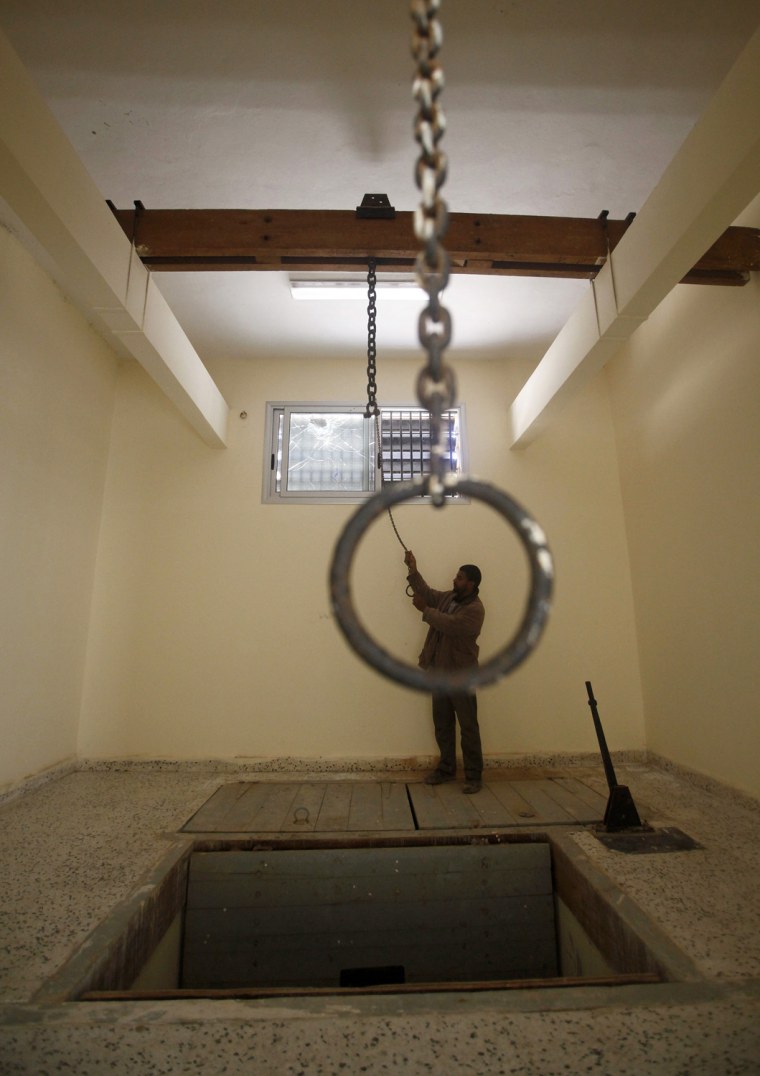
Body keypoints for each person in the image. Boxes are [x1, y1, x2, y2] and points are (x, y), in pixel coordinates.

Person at [404, 549, 485, 794]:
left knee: (468, 727)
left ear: (471, 584)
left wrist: (425, 612)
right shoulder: (450, 598)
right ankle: (446, 770)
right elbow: (428, 594)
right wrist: (413, 569)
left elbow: (451, 626)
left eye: (460, 578)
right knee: (442, 724)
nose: (454, 580)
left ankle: (473, 776)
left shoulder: (475, 610)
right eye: (456, 576)